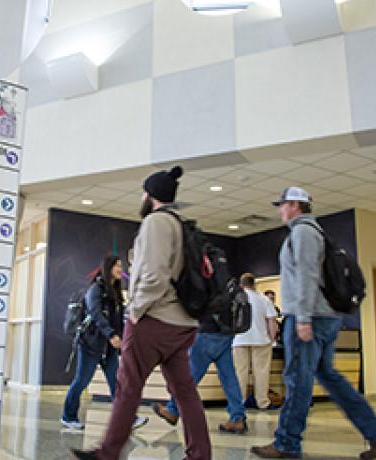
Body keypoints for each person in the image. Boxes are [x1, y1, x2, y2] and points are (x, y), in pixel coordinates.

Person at [72, 166, 211, 460]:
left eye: (144, 193)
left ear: (150, 196)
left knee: (128, 386)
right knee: (185, 391)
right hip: (181, 322)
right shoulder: (179, 223)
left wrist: (135, 311)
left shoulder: (156, 222)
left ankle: (107, 454)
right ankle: (200, 454)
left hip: (155, 320)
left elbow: (155, 275)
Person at [251, 187, 376, 460]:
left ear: (295, 205)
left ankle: (287, 444)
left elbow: (307, 275)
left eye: (282, 205)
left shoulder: (303, 232)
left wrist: (303, 319)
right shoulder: (315, 232)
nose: (280, 210)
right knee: (328, 376)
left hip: (310, 317)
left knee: (297, 381)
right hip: (325, 317)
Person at [61, 255, 149, 431]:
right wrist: (110, 334)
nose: (120, 269)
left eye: (121, 265)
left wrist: (123, 339)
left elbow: (118, 320)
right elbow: (95, 314)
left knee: (117, 383)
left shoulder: (115, 292)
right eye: (117, 265)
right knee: (81, 381)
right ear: (108, 267)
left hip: (108, 348)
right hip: (90, 344)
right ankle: (68, 416)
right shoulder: (95, 289)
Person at [151, 290, 249, 434]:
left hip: (206, 335)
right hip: (225, 336)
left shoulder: (205, 279)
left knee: (189, 377)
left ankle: (172, 410)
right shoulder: (228, 283)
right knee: (229, 379)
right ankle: (238, 418)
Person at [232, 273, 279, 410]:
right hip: (261, 340)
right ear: (255, 284)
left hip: (239, 340)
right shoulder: (264, 300)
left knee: (240, 373)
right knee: (261, 372)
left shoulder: (234, 299)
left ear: (241, 285)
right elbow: (272, 322)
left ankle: (239, 402)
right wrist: (272, 338)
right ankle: (262, 402)